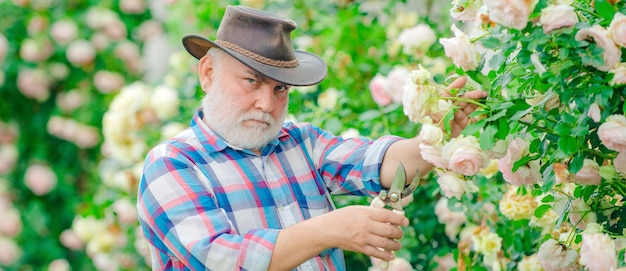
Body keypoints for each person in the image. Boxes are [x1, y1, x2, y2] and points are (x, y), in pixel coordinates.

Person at [137, 5, 486, 271]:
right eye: (251, 81)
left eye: (280, 88)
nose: (266, 103)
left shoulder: (299, 142)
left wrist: (438, 133)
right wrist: (331, 229)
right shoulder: (172, 163)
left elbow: (375, 161)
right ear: (209, 73)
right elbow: (222, 259)